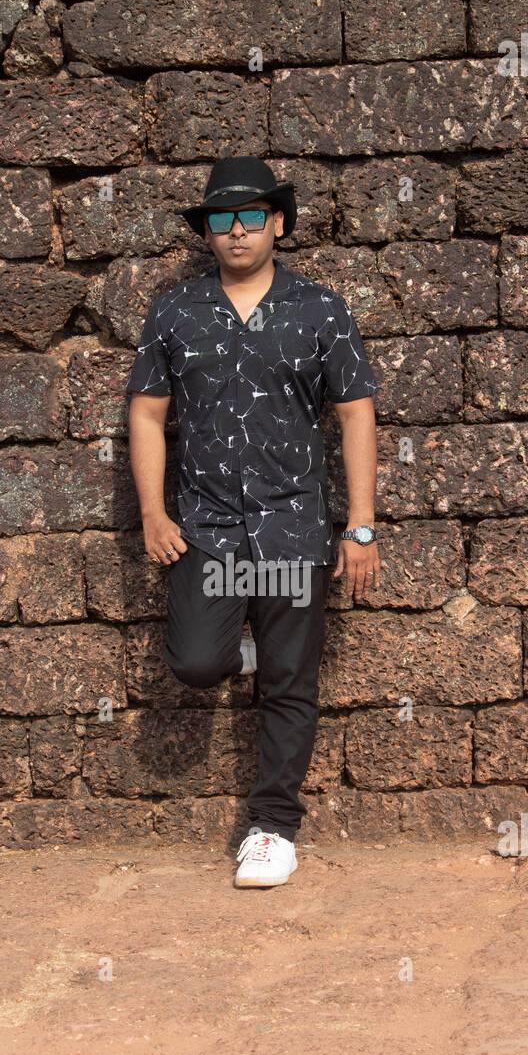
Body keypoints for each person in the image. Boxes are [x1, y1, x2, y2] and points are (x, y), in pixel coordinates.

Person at [126, 156, 380, 888]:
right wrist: (152, 511)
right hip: (206, 527)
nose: (234, 232)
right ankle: (237, 643)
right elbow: (147, 414)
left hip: (295, 527)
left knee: (291, 682)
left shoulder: (320, 310)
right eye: (219, 219)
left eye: (249, 217)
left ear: (275, 223)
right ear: (207, 231)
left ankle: (273, 828)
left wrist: (360, 526)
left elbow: (356, 412)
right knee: (196, 663)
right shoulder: (174, 312)